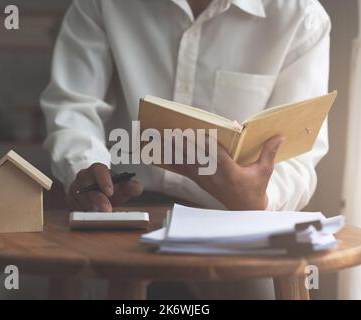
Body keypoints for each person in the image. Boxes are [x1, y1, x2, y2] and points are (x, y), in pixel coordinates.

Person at [38, 0, 331, 299]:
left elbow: (300, 155)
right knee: (18, 291)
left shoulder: (301, 17)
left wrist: (260, 198)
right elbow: (73, 104)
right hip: (117, 212)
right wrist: (83, 166)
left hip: (235, 224)